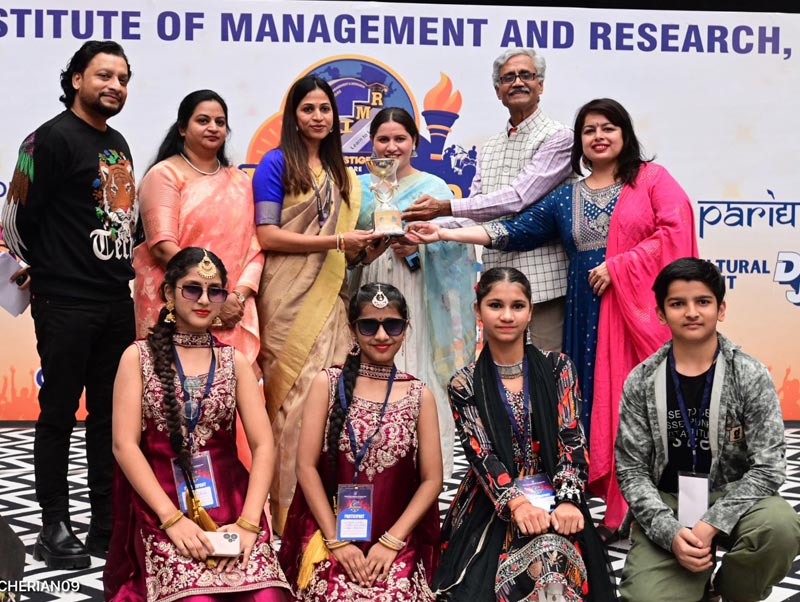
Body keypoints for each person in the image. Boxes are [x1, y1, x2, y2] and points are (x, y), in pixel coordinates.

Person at [406, 98, 699, 539]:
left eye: (608, 128)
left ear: (625, 134)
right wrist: (443, 231)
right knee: (599, 406)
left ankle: (664, 504)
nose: (599, 137)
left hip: (637, 314)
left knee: (640, 402)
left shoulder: (651, 180)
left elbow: (676, 229)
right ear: (578, 142)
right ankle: (616, 507)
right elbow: (513, 231)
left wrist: (621, 265)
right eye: (589, 130)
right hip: (588, 314)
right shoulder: (568, 195)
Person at [0, 40, 137, 568]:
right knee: (58, 412)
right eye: (104, 75)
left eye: (122, 79)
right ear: (76, 78)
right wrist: (46, 265)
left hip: (115, 300)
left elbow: (121, 221)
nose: (115, 86)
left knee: (110, 417)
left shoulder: (118, 142)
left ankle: (105, 524)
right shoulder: (47, 139)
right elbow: (16, 218)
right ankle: (54, 525)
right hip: (65, 301)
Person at [105, 248, 291, 601]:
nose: (204, 300)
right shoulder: (138, 357)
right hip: (161, 508)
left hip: (234, 508)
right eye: (192, 289)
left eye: (215, 291)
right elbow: (123, 446)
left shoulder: (233, 361)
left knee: (268, 595)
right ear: (169, 292)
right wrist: (172, 520)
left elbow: (264, 445)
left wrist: (249, 523)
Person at [615, 258, 800, 602]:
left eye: (702, 301)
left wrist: (711, 522)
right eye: (677, 304)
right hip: (668, 503)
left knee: (780, 527)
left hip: (735, 498)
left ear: (721, 309)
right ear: (660, 313)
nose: (691, 312)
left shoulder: (749, 374)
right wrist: (669, 532)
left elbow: (770, 467)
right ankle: (688, 582)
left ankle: (726, 591)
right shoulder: (641, 380)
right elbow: (631, 470)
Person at [433, 268, 616, 601]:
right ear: (477, 310)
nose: (507, 316)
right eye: (495, 305)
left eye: (517, 306)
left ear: (530, 311)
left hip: (558, 492)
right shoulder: (463, 383)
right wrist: (517, 504)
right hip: (493, 500)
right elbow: (481, 454)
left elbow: (571, 440)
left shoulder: (559, 367)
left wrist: (569, 501)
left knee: (558, 562)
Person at [252, 75, 376, 534]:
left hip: (331, 302)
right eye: (308, 109)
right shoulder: (276, 163)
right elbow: (267, 236)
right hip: (286, 299)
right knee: (291, 406)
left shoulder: (344, 175)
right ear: (294, 115)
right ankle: (284, 521)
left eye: (325, 109)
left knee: (332, 404)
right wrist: (337, 240)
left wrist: (368, 248)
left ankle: (326, 519)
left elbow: (345, 254)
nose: (318, 117)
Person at [278, 282, 442, 600]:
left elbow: (432, 480)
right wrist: (336, 541)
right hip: (329, 533)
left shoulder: (419, 395)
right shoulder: (327, 384)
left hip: (396, 538)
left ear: (406, 329)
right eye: (369, 326)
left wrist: (392, 542)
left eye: (392, 325)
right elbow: (305, 467)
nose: (381, 336)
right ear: (353, 329)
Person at [402, 48, 573, 352]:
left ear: (540, 85)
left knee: (545, 373)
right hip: (496, 285)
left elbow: (518, 198)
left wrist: (443, 207)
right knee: (501, 373)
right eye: (508, 78)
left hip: (543, 287)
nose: (517, 82)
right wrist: (429, 229)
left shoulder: (559, 138)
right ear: (498, 91)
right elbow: (476, 212)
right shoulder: (490, 146)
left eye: (526, 75)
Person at [351, 107, 476, 477]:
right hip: (369, 283)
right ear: (371, 144)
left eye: (399, 139)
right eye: (383, 139)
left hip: (416, 292)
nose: (391, 147)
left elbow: (456, 249)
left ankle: (424, 470)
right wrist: (367, 247)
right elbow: (344, 249)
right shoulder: (357, 188)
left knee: (414, 361)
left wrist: (418, 249)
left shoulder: (433, 189)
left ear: (415, 143)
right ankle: (371, 463)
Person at [133, 89, 264, 368]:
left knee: (232, 386)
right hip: (177, 308)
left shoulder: (240, 181)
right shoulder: (165, 175)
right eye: (203, 120)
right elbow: (163, 247)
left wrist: (236, 297)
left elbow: (254, 248)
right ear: (183, 128)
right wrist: (214, 297)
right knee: (173, 386)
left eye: (220, 122)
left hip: (232, 313)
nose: (213, 128)